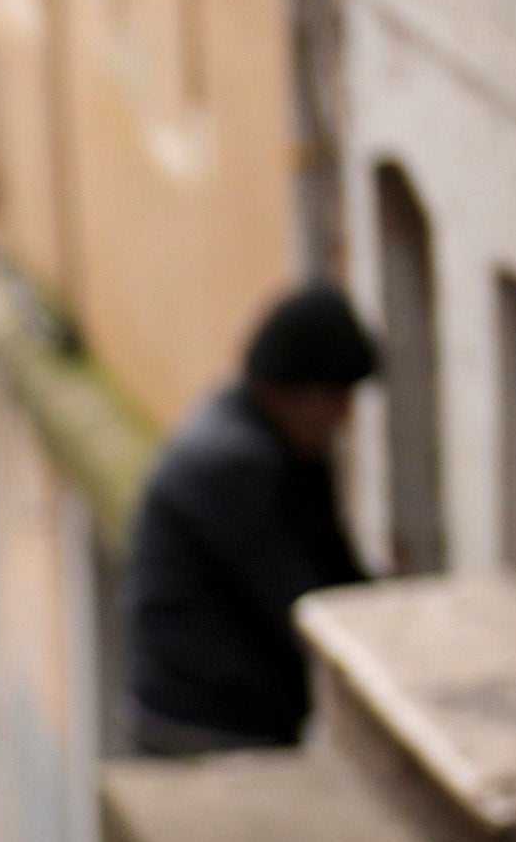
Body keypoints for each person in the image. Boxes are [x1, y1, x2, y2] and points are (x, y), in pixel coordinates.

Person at [122, 283, 381, 753]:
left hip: (237, 713)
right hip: (202, 724)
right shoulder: (233, 466)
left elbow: (335, 572)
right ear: (282, 393)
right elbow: (302, 601)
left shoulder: (284, 446)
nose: (343, 417)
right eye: (333, 397)